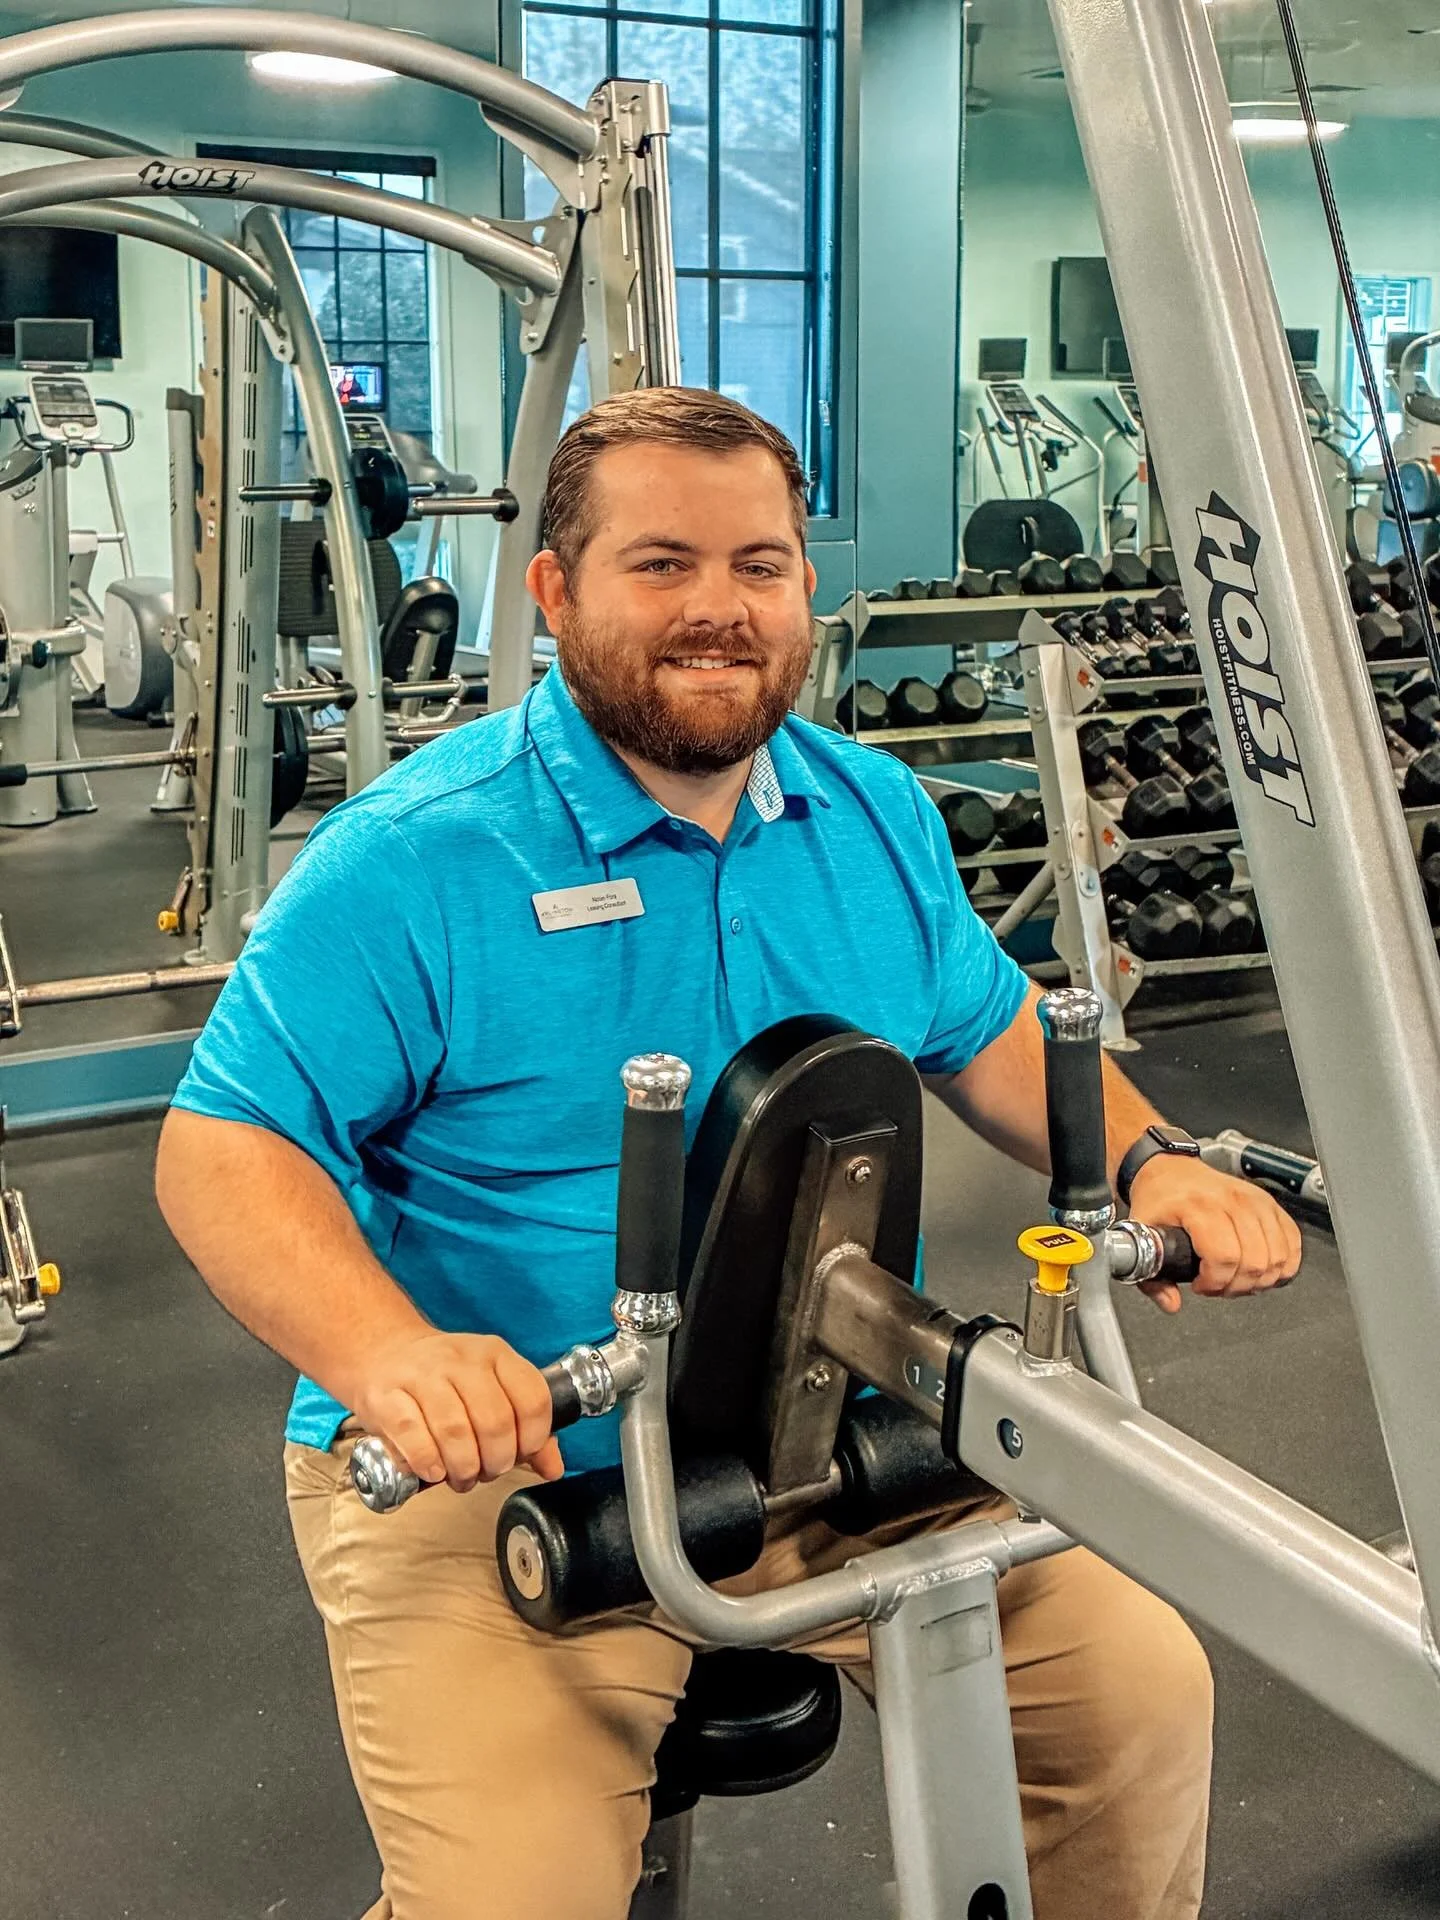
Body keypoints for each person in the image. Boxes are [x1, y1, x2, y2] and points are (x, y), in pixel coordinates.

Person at [155, 387, 1302, 1920]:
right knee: (518, 1899)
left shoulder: (873, 812)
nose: (720, 609)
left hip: (825, 1427)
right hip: (511, 1464)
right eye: (662, 564)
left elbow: (984, 1029)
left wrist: (1156, 1162)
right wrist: (395, 1359)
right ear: (554, 592)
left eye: (760, 565)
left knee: (1138, 1695)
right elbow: (223, 1149)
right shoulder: (416, 859)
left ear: (804, 590)